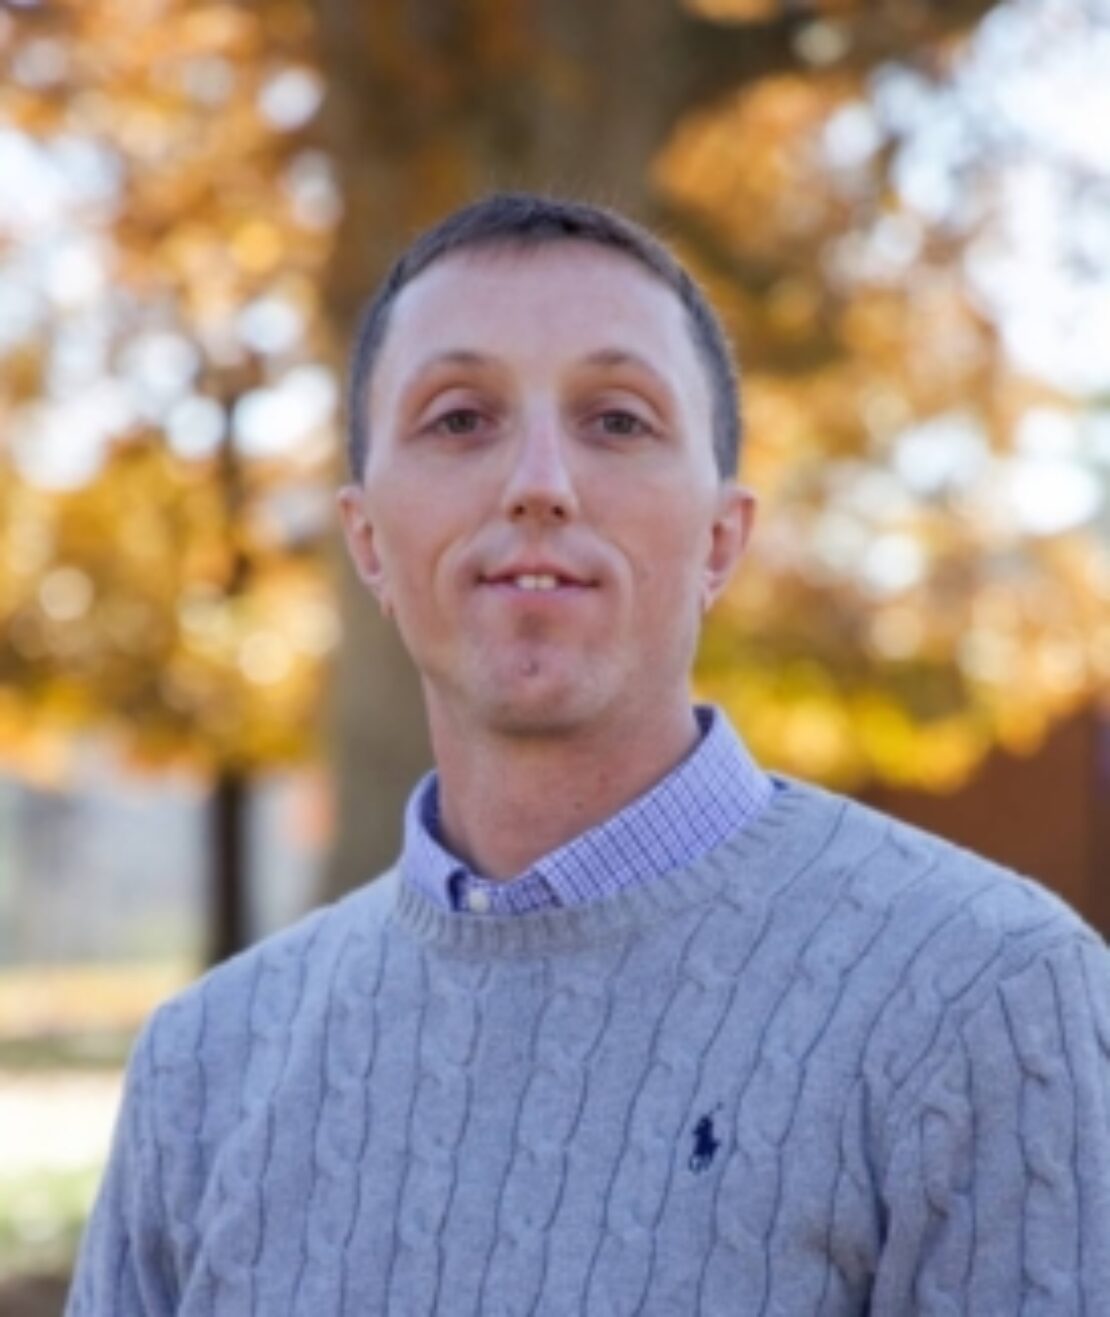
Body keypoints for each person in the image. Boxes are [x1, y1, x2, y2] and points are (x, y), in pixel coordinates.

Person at [68, 193, 1110, 1316]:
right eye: (461, 418)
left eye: (617, 419)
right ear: (367, 541)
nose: (540, 482)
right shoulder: (204, 1067)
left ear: (722, 538)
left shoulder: (988, 997)